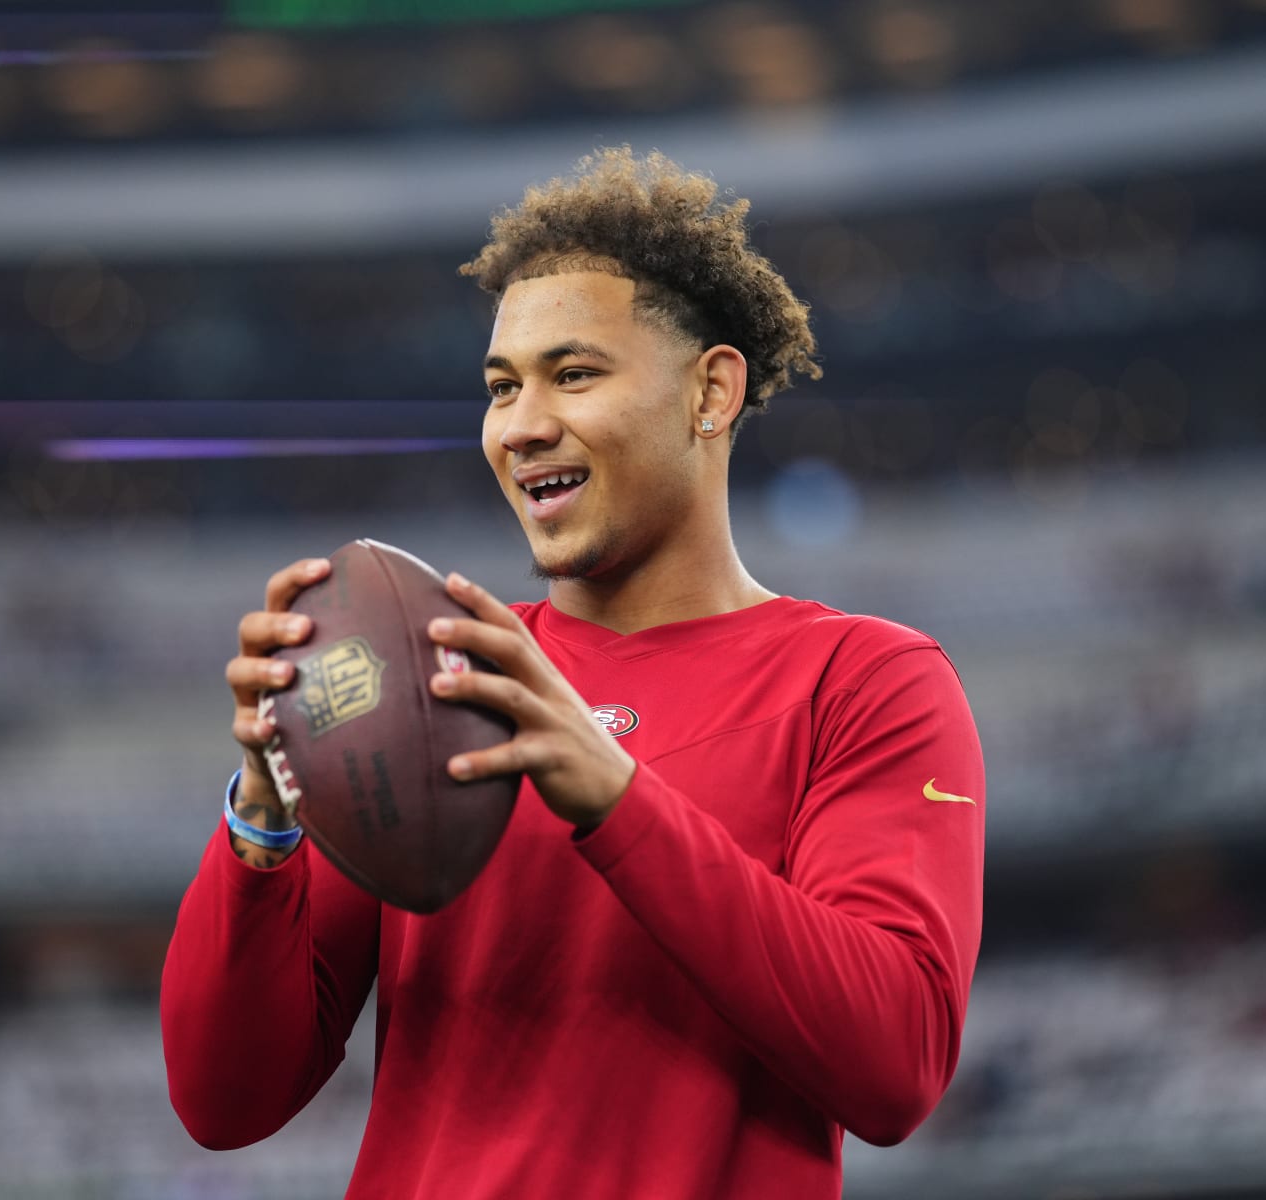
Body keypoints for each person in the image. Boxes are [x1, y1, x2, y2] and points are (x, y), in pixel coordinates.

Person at [161, 147, 985, 1199]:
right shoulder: (437, 685)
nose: (523, 424)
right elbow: (223, 1102)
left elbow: (896, 1065)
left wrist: (617, 798)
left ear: (712, 391)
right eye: (502, 387)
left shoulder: (866, 680)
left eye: (575, 373)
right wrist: (265, 813)